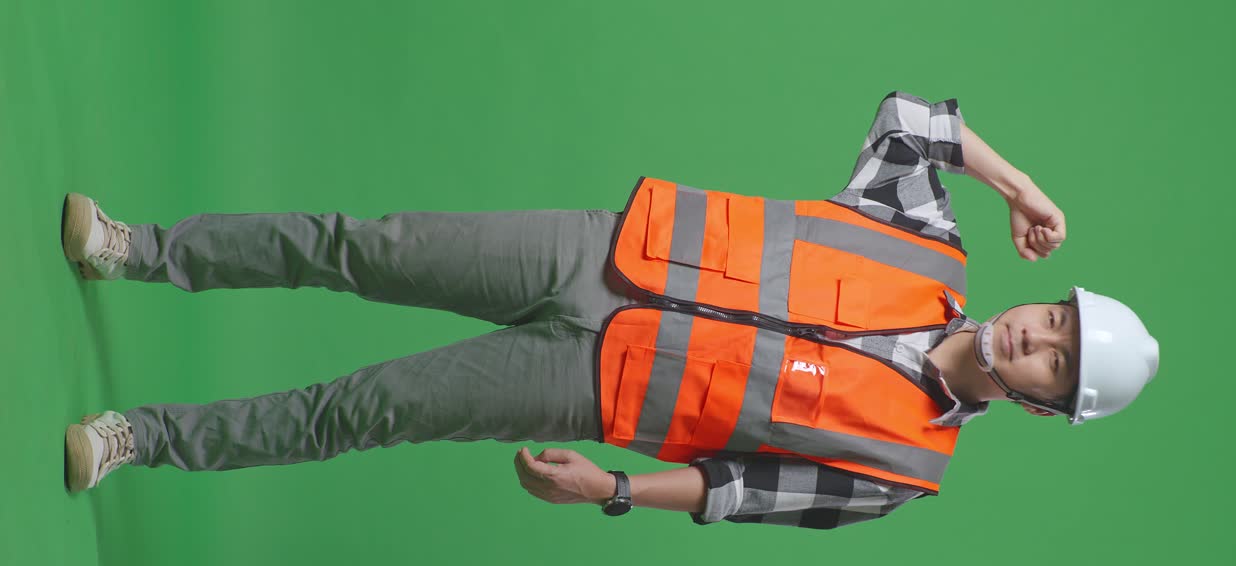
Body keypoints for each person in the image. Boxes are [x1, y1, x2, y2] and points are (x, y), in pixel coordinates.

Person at [62, 91, 1159, 530]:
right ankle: (137, 249)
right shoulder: (927, 237)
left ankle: (140, 439)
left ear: (1038, 404)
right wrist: (1017, 185)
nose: (1036, 335)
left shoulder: (900, 472)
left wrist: (615, 489)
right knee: (361, 247)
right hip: (605, 248)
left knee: (362, 410)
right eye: (1056, 320)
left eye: (1054, 363)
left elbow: (739, 490)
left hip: (595, 385)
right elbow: (911, 119)